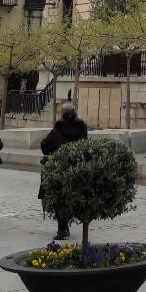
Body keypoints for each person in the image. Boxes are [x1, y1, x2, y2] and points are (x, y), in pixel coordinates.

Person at [39, 102, 88, 239]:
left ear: (63, 114)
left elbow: (45, 146)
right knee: (73, 196)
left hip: (59, 168)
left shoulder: (58, 129)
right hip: (77, 167)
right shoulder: (82, 127)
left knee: (58, 198)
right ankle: (74, 221)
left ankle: (63, 229)